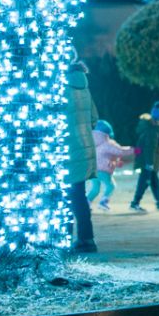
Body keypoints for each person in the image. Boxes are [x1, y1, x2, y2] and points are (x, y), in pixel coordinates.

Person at [62, 56, 99, 255]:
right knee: (78, 195)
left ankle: (65, 238)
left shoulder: (59, 86)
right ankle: (86, 238)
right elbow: (94, 118)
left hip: (66, 149)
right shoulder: (83, 85)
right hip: (84, 147)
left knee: (65, 196)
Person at [128, 104, 159, 211]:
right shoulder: (153, 131)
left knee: (154, 181)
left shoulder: (155, 129)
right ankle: (135, 203)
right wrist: (149, 163)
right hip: (146, 162)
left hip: (148, 162)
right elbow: (150, 148)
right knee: (144, 182)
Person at [89, 120, 132, 210]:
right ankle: (103, 202)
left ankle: (86, 204)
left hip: (93, 170)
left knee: (95, 189)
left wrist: (116, 162)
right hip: (102, 171)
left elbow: (106, 157)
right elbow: (120, 151)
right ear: (107, 133)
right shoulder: (107, 144)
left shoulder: (93, 144)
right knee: (110, 186)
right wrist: (134, 150)